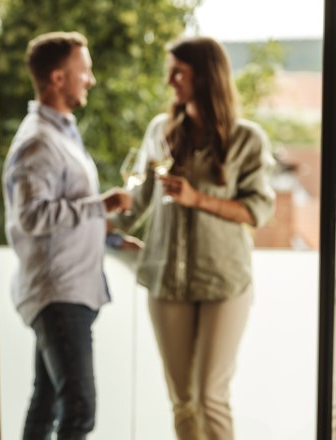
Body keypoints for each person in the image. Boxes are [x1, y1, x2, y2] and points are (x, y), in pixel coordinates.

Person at [110, 36, 276, 440]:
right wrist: (94, 221)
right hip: (167, 280)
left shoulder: (247, 139)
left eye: (178, 72)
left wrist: (196, 198)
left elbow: (257, 210)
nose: (170, 81)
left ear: (205, 76)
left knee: (209, 396)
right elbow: (137, 204)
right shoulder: (160, 131)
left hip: (224, 282)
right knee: (183, 400)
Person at [2, 31, 133, 440]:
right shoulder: (39, 141)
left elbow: (66, 214)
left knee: (46, 405)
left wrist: (112, 237)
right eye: (84, 71)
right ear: (58, 78)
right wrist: (103, 205)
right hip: (59, 292)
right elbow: (32, 215)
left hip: (69, 289)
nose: (90, 79)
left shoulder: (60, 134)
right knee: (79, 409)